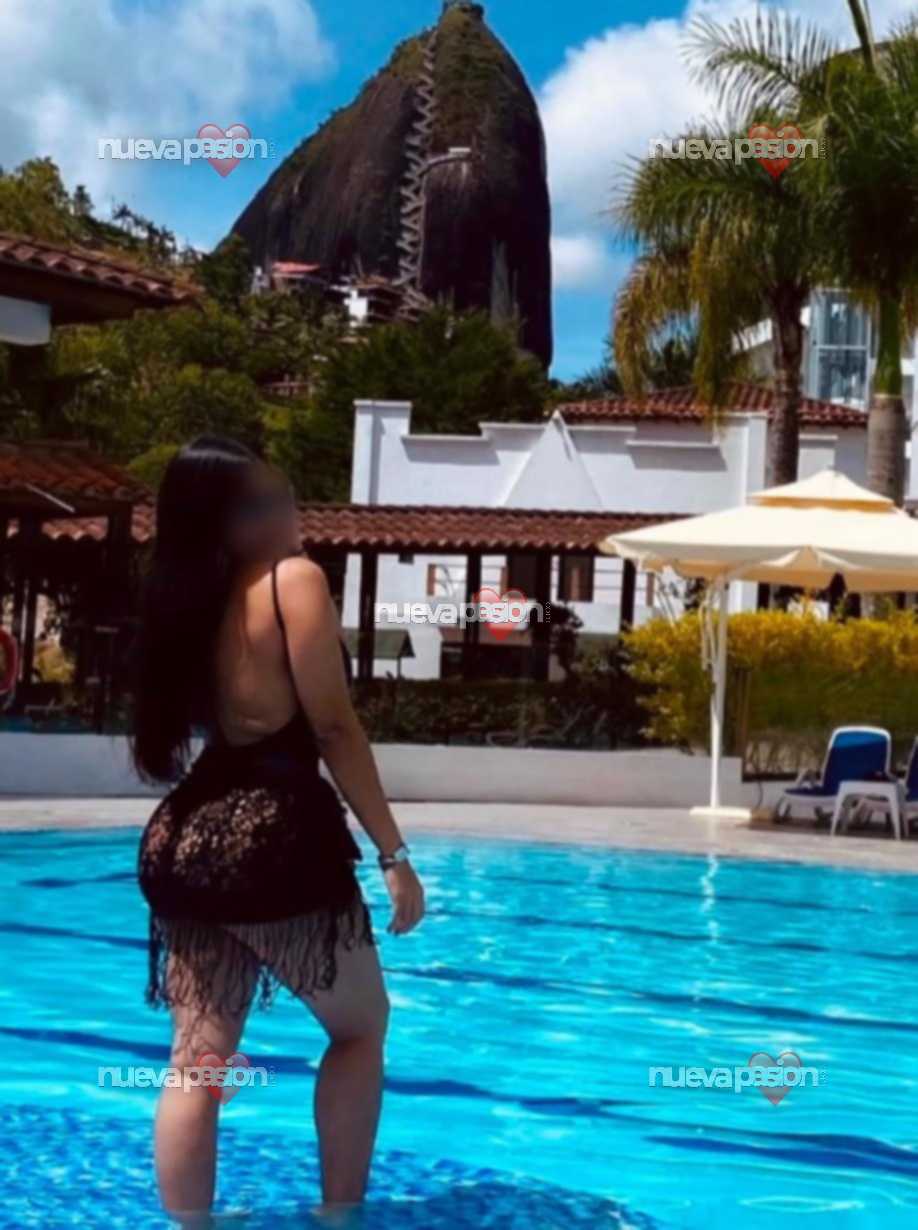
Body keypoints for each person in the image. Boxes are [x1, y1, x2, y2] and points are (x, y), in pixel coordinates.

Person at [132, 435, 425, 1222]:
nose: (289, 512)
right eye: (265, 503)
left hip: (183, 837)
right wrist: (393, 853)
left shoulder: (187, 595)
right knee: (362, 1030)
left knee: (198, 1062)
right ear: (225, 523)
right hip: (269, 835)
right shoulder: (291, 580)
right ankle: (339, 1217)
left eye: (285, 493)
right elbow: (332, 727)